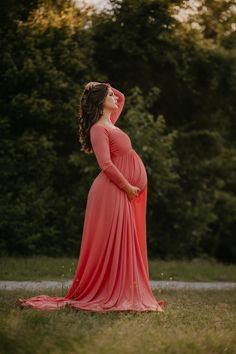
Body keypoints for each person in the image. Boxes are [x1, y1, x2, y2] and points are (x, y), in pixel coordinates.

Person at [16, 82, 165, 312]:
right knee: (114, 243)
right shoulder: (98, 128)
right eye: (109, 95)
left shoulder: (110, 122)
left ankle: (122, 290)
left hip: (121, 191)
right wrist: (127, 186)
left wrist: (102, 85)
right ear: (100, 102)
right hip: (113, 191)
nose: (114, 97)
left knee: (123, 241)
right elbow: (105, 164)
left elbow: (122, 97)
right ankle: (108, 292)